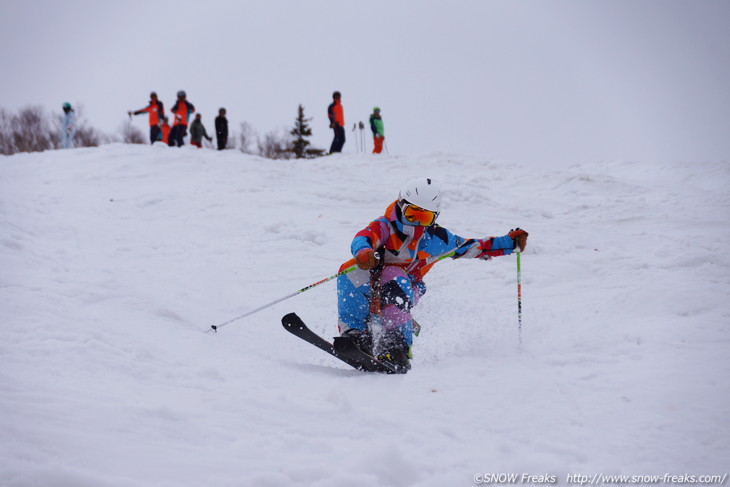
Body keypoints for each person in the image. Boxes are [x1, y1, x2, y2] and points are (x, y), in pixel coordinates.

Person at [336, 177, 528, 373]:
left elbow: (474, 247)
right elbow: (363, 237)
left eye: (425, 218)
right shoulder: (384, 227)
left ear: (435, 217)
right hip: (373, 283)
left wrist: (508, 243)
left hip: (405, 288)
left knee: (394, 276)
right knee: (349, 270)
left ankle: (396, 348)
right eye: (412, 215)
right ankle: (356, 335)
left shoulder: (438, 239)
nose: (418, 222)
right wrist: (363, 253)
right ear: (401, 206)